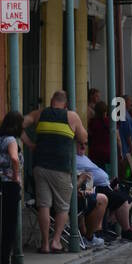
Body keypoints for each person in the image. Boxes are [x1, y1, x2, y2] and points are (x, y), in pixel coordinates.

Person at [24, 91, 87, 254]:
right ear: (65, 104)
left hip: (40, 166)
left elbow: (18, 125)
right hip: (61, 168)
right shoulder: (71, 116)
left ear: (51, 101)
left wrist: (30, 144)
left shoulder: (39, 114)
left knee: (43, 205)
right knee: (63, 206)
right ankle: (56, 242)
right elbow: (83, 137)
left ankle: (44, 244)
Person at [75, 141, 132, 243]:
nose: (83, 146)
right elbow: (83, 178)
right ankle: (126, 230)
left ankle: (115, 223)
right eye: (80, 144)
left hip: (105, 186)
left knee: (127, 198)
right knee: (123, 200)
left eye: (85, 144)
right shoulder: (74, 158)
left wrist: (109, 182)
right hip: (95, 188)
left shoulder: (83, 157)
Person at [0, 111, 25, 264]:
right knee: (9, 227)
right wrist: (16, 177)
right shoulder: (11, 140)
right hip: (9, 185)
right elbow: (14, 159)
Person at [88, 100, 111, 168]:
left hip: (95, 153)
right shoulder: (109, 122)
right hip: (107, 153)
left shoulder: (92, 122)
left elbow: (90, 134)